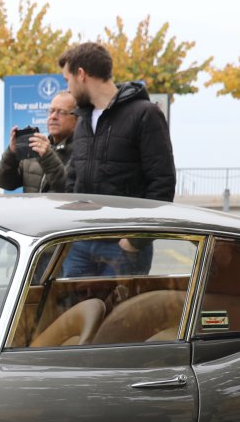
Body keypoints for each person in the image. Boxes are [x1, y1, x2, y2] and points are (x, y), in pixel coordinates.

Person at [59, 41, 177, 276]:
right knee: (72, 301)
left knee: (120, 303)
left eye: (67, 79)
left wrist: (134, 241)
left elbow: (162, 183)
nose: (68, 88)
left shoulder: (145, 114)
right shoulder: (83, 120)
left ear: (81, 74)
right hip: (81, 244)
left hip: (123, 249)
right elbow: (73, 180)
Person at [0, 91, 77, 194]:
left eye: (62, 112)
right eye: (51, 111)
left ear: (77, 119)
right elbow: (5, 183)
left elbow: (70, 190)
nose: (53, 116)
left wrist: (47, 156)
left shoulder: (83, 153)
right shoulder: (35, 148)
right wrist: (11, 153)